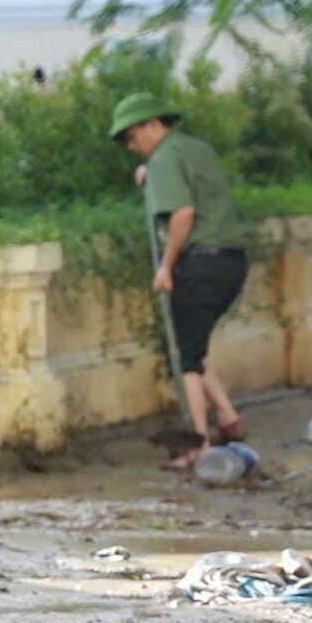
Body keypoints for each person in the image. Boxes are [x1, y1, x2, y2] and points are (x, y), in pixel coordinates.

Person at [110, 92, 250, 468]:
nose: (131, 145)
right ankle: (228, 419)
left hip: (200, 264)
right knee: (190, 343)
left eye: (132, 136)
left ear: (152, 125)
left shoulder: (164, 159)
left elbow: (184, 213)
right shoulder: (192, 149)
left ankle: (199, 445)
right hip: (232, 262)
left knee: (185, 356)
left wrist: (166, 267)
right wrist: (150, 173)